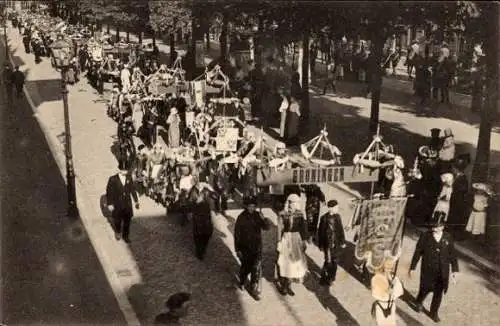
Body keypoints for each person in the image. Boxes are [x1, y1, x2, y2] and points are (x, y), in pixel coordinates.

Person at [408, 211, 459, 323]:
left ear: (443, 226)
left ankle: (433, 312)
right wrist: (412, 267)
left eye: (438, 226)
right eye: (434, 226)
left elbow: (453, 255)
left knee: (438, 292)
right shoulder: (426, 236)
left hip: (442, 271)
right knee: (425, 288)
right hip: (428, 269)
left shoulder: (448, 237)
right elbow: (418, 252)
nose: (435, 228)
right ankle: (419, 301)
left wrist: (455, 270)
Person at [234, 197, 272, 300]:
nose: (251, 208)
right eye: (249, 206)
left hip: (256, 247)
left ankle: (253, 289)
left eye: (253, 206)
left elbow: (266, 227)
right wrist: (237, 249)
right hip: (245, 247)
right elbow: (237, 234)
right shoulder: (241, 217)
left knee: (256, 268)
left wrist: (264, 219)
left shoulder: (257, 215)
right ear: (246, 206)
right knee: (245, 268)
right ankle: (242, 280)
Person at [276, 194, 308, 296]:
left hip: (296, 240)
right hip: (286, 239)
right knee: (285, 263)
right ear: (288, 203)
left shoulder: (300, 214)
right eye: (290, 202)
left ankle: (289, 285)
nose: (292, 205)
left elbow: (303, 229)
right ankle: (284, 286)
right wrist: (279, 241)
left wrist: (304, 241)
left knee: (294, 264)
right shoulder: (282, 214)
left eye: (294, 203)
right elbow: (279, 229)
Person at [106, 160, 140, 243]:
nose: (124, 172)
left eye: (126, 170)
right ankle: (118, 232)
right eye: (123, 170)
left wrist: (136, 201)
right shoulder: (113, 179)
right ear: (119, 169)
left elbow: (132, 189)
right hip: (117, 203)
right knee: (117, 219)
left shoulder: (129, 178)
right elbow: (109, 192)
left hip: (127, 203)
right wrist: (110, 203)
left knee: (127, 221)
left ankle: (126, 236)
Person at [317, 200, 346, 286]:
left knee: (335, 261)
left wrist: (342, 241)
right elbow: (321, 232)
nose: (337, 209)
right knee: (328, 262)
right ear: (331, 208)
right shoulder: (324, 218)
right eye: (336, 207)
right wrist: (321, 245)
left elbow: (340, 230)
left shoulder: (338, 217)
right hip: (327, 245)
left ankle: (332, 277)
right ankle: (324, 278)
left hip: (336, 243)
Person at [188, 177, 217, 260]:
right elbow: (189, 203)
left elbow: (216, 197)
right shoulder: (193, 191)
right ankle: (199, 252)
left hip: (206, 215)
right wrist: (195, 203)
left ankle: (203, 248)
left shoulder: (206, 190)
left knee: (207, 233)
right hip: (197, 216)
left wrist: (211, 189)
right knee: (197, 235)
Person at [371, 258, 404, 326]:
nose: (389, 269)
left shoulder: (394, 278)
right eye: (387, 267)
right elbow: (375, 294)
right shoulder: (377, 277)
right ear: (382, 266)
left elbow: (399, 292)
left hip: (391, 306)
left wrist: (395, 284)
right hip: (380, 306)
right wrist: (387, 291)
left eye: (391, 268)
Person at [446, 156, 471, 240]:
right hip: (454, 200)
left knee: (454, 217)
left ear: (457, 169)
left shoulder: (463, 179)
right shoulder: (457, 177)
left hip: (458, 201)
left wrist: (453, 188)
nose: (452, 170)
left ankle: (452, 235)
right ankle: (449, 233)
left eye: (454, 168)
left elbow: (461, 191)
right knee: (451, 216)